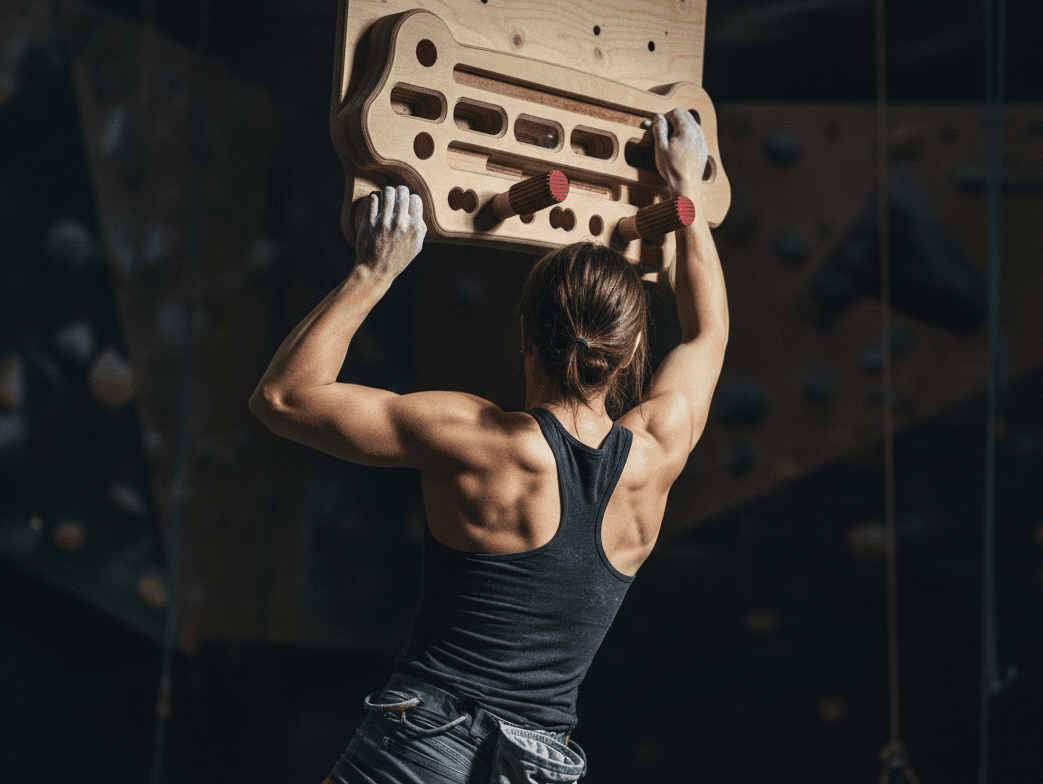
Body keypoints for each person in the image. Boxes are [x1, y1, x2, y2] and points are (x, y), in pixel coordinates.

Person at [249, 108, 728, 783]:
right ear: (626, 359)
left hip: (425, 742)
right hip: (538, 766)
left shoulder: (480, 441)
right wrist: (688, 197)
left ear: (525, 335)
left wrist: (374, 272)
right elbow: (707, 332)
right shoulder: (657, 449)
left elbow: (282, 399)